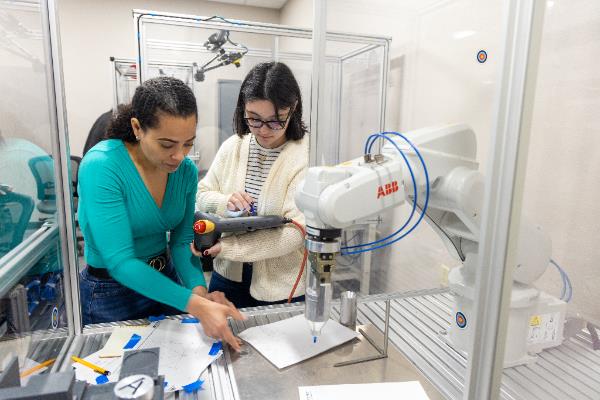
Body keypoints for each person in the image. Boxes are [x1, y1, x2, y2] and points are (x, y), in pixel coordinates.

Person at [77, 77, 243, 350]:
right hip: (111, 292)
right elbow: (120, 262)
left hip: (166, 280)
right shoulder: (102, 166)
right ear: (137, 128)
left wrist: (198, 291)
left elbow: (180, 241)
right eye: (167, 145)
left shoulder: (185, 172)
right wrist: (197, 306)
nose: (179, 156)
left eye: (188, 143)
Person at [194, 62, 309, 308]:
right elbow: (201, 194)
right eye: (254, 120)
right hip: (227, 279)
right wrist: (226, 203)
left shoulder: (304, 157)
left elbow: (294, 233)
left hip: (279, 286)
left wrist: (227, 247)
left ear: (293, 108)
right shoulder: (233, 147)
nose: (263, 130)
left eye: (275, 121)